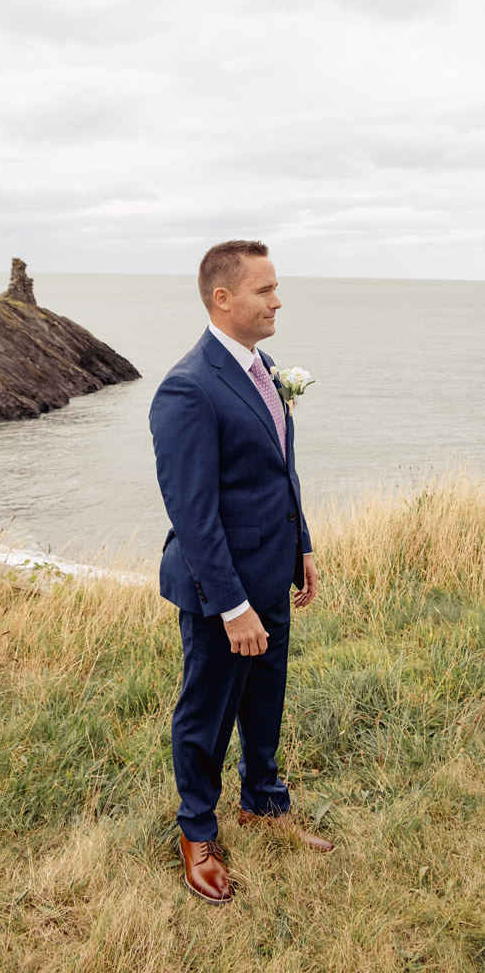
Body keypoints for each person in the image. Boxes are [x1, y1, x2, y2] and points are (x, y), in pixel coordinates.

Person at [149, 239, 333, 905]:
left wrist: (301, 547)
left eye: (275, 287)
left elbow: (280, 471)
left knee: (264, 699)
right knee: (205, 712)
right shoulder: (188, 386)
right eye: (264, 290)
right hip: (218, 589)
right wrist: (232, 607)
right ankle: (197, 830)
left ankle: (263, 801)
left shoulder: (265, 367)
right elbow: (192, 515)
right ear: (222, 298)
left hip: (272, 572)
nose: (277, 300)